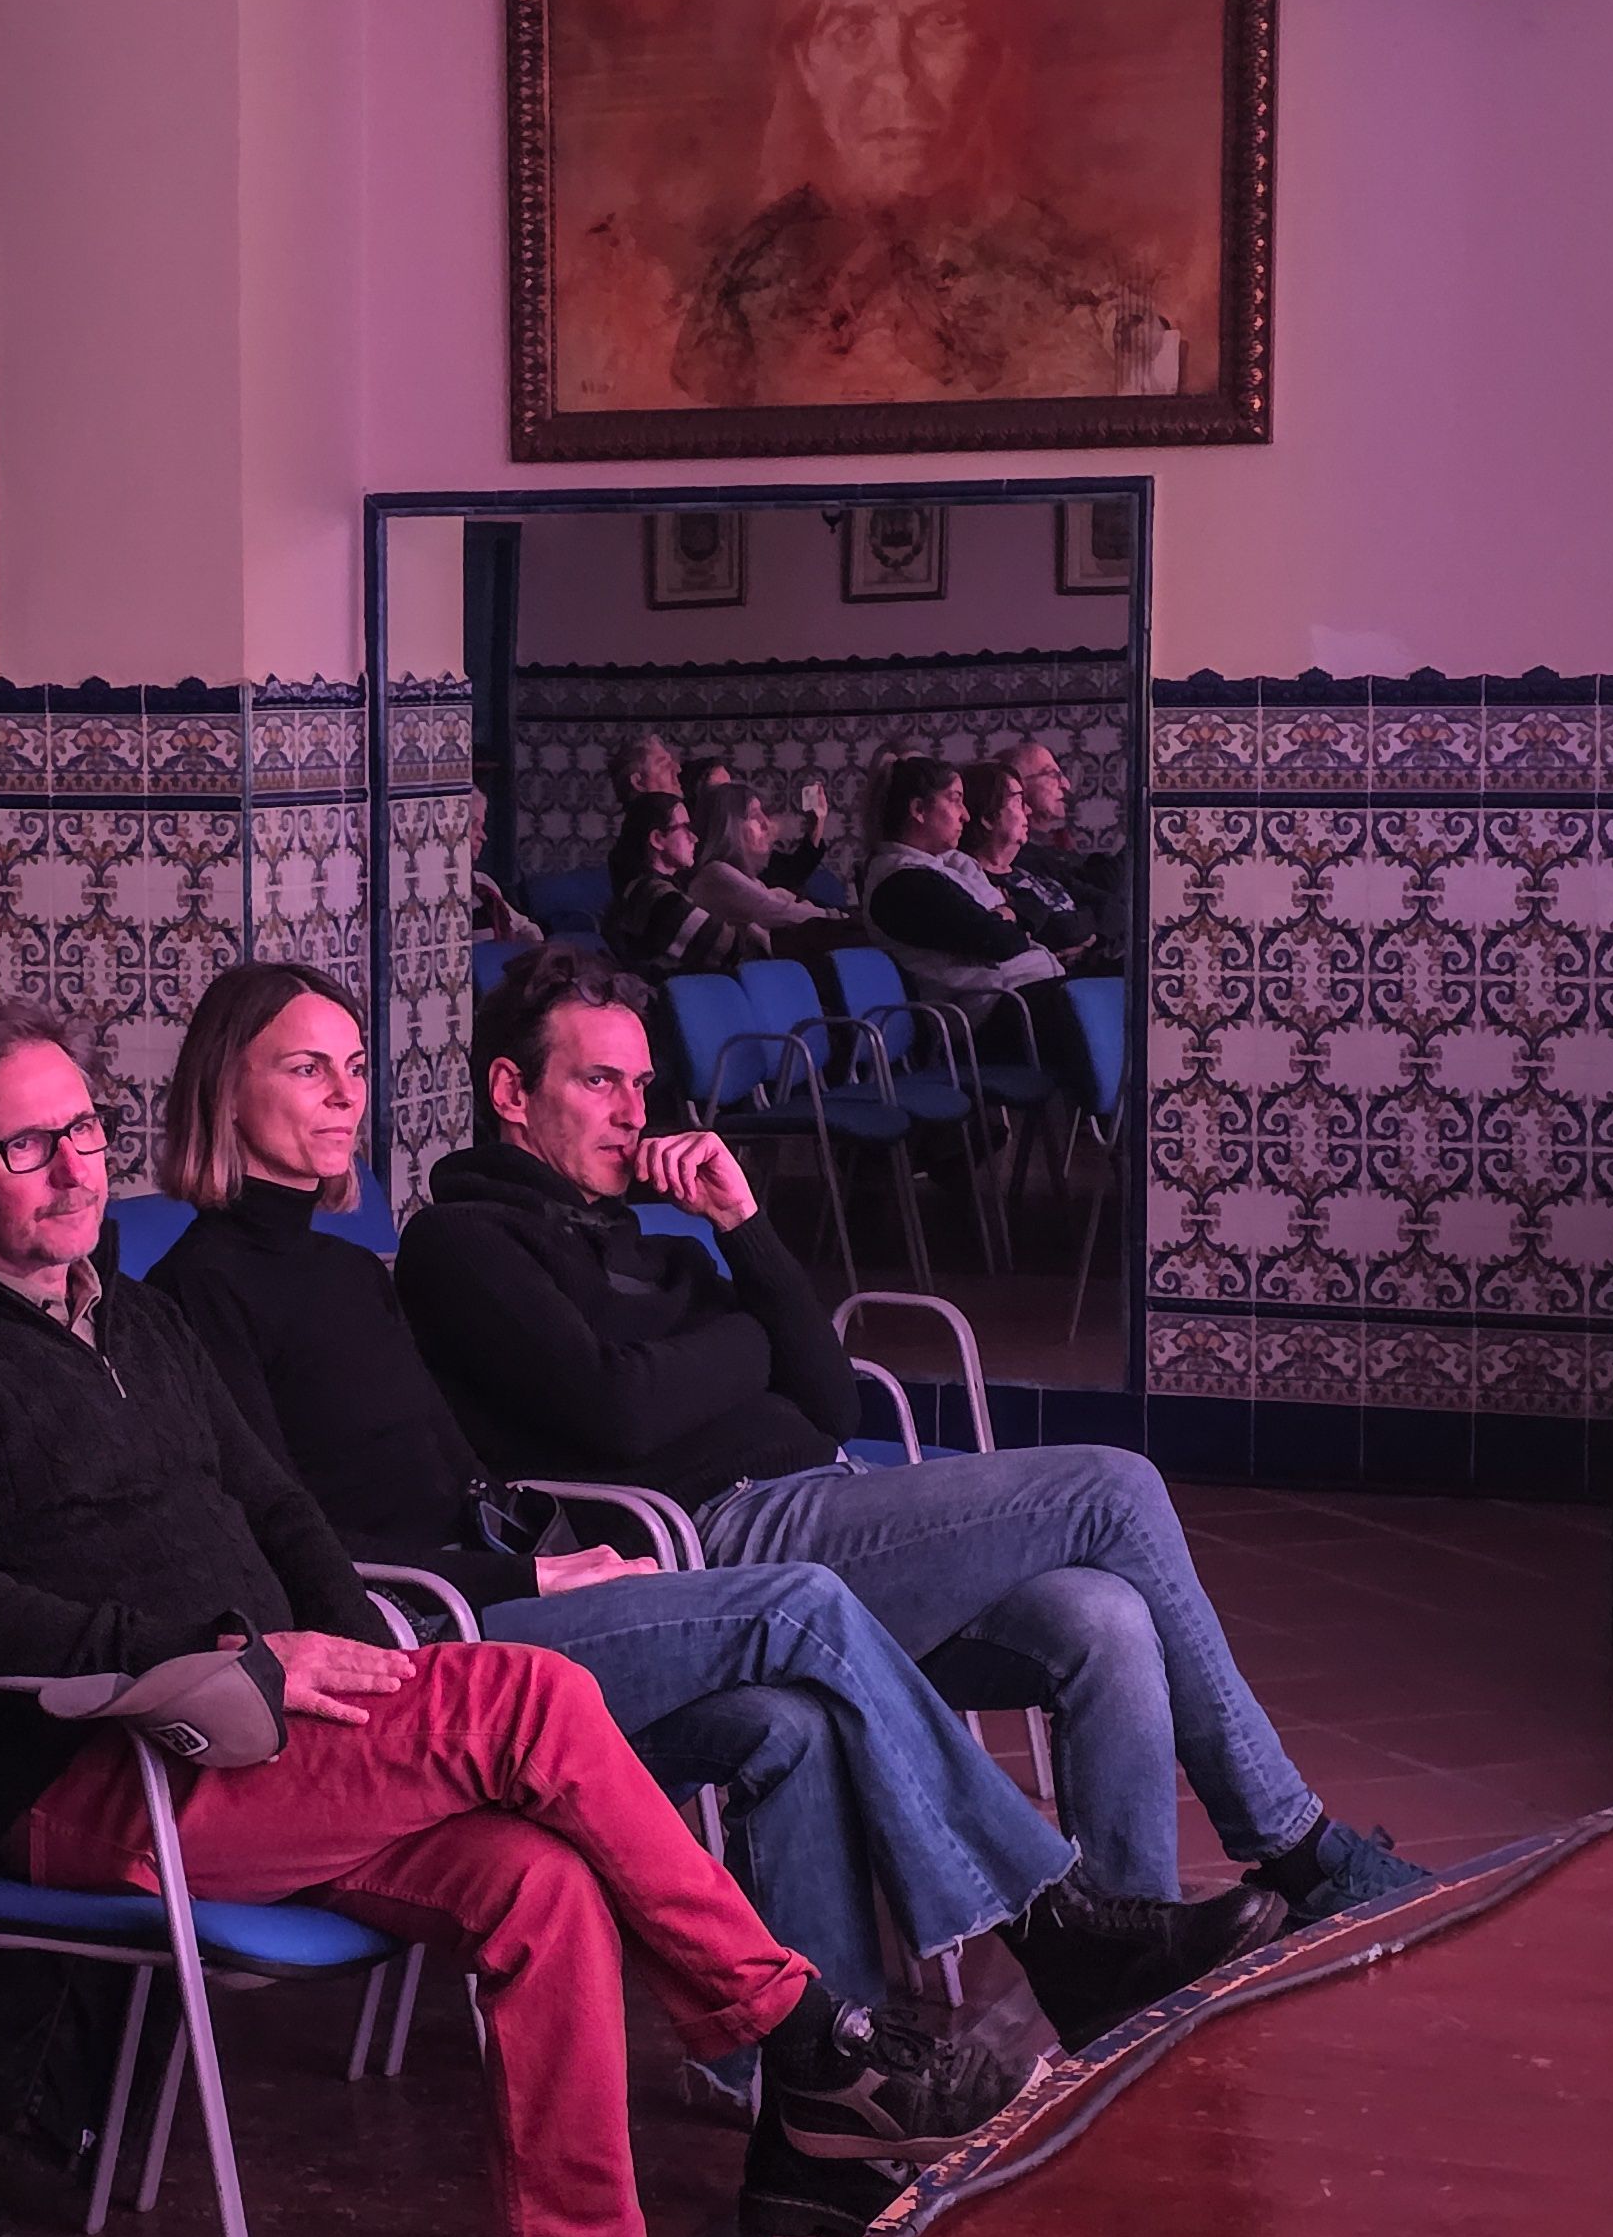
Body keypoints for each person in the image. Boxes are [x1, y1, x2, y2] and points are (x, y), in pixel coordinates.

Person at [0, 994, 1020, 2237]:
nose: (73, 1169)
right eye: (24, 1147)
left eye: (84, 1131)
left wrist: (368, 1660)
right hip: (97, 1770)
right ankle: (802, 2034)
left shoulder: (134, 1318)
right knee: (533, 1696)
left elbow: (281, 1511)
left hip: (272, 1732)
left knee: (540, 1883)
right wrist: (218, 1657)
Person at [146, 965, 1287, 2101]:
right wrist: (517, 1572)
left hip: (506, 1585)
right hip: (420, 1643)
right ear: (222, 1088)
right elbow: (285, 1533)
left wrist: (540, 1550)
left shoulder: (350, 1269)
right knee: (811, 1599)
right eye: (307, 1069)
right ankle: (1061, 1922)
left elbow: (468, 1472)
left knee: (793, 1718)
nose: (344, 1096)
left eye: (354, 1068)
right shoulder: (202, 1292)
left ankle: (819, 2088)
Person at [400, 952, 1434, 1926]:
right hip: (712, 1538)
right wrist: (742, 1343)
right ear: (511, 1092)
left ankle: (1137, 1942)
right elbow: (617, 1409)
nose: (634, 1114)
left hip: (821, 1496)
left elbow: (826, 1398)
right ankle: (1296, 1847)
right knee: (1114, 1488)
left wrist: (742, 1226)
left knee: (1105, 1616)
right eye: (598, 1083)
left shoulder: (644, 1240)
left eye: (640, 1085)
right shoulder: (462, 1243)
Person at [673, 0, 1185, 412]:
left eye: (940, 23)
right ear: (806, 65)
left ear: (988, 55)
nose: (897, 80)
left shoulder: (1081, 278)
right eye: (853, 32)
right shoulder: (743, 288)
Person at [856, 754, 1065, 1016]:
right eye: (955, 800)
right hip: (993, 1009)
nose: (965, 815)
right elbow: (1002, 942)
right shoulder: (903, 885)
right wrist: (1008, 914)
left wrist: (1007, 914)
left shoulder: (948, 866)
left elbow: (1035, 910)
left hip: (1022, 992)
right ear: (919, 810)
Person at [962, 761, 1109, 972]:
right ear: (988, 818)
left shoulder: (1033, 863)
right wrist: (1086, 922)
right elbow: (1060, 930)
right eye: (1019, 802)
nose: (1029, 810)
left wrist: (1091, 939)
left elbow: (1109, 906)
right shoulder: (978, 882)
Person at [683, 783, 839, 957]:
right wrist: (835, 916)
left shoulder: (745, 878)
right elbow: (773, 910)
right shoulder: (716, 873)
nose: (766, 824)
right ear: (730, 825)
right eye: (754, 816)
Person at [602, 789, 723, 977]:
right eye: (685, 828)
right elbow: (723, 946)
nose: (694, 838)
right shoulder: (654, 896)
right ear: (657, 839)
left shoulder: (645, 889)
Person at [465, 784, 539, 946]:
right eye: (474, 825)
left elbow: (524, 927)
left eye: (482, 826)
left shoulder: (484, 884)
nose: (483, 837)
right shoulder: (436, 894)